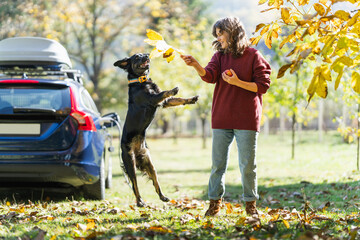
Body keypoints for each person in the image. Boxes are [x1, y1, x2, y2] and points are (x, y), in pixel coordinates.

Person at [180, 17, 271, 216]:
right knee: (217, 165)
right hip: (221, 118)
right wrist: (196, 64)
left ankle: (251, 205)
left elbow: (262, 86)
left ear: (232, 32)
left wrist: (237, 82)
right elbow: (209, 76)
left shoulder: (254, 55)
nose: (218, 38)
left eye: (221, 33)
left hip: (246, 119)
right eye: (217, 34)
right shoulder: (220, 56)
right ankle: (214, 204)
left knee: (248, 166)